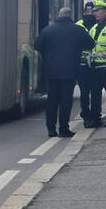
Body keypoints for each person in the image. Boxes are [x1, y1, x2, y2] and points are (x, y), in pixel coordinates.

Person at [35, 7, 96, 137]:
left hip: (51, 71)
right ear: (70, 15)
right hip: (70, 71)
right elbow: (91, 44)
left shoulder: (47, 30)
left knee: (52, 101)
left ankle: (51, 129)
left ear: (59, 15)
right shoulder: (78, 30)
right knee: (65, 101)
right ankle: (63, 129)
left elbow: (38, 46)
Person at [76, 2, 99, 128]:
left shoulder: (100, 24)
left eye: (92, 11)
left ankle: (95, 116)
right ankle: (86, 115)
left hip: (97, 63)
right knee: (84, 92)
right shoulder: (78, 25)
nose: (89, 13)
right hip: (82, 64)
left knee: (96, 91)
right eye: (87, 11)